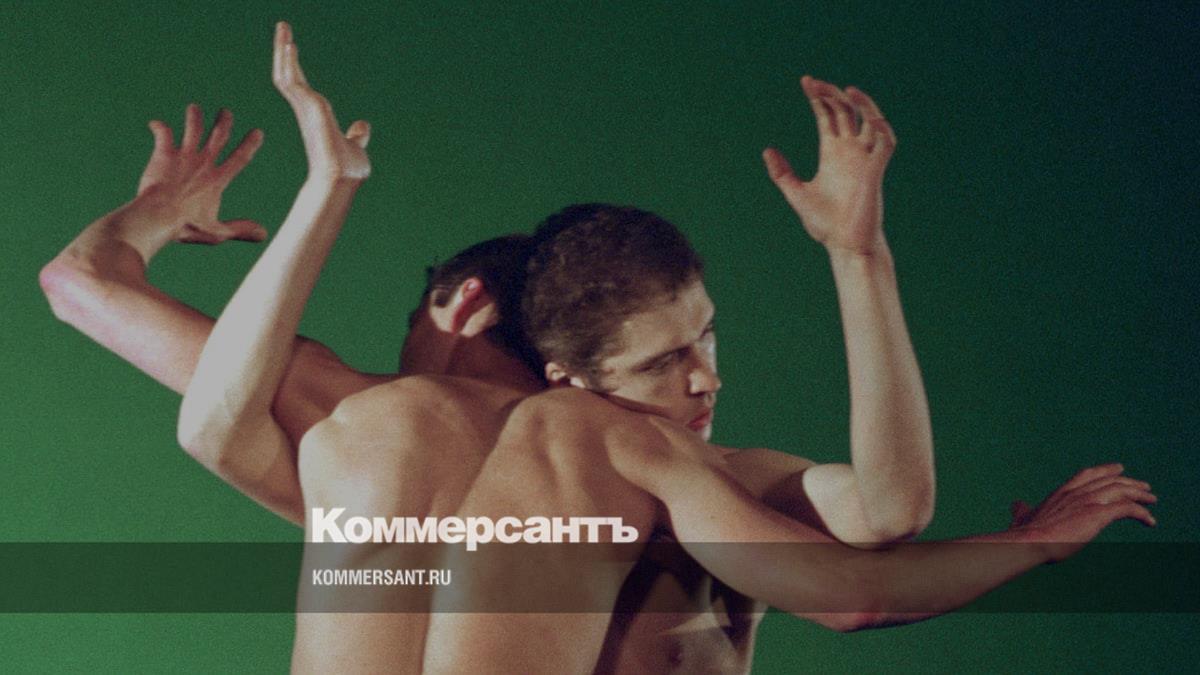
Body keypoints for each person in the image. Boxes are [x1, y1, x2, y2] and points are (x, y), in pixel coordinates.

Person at [40, 22, 1155, 674]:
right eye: (667, 361)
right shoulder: (643, 460)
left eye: (699, 346)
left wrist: (183, 211)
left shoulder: (344, 430)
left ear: (460, 305)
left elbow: (95, 299)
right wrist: (1033, 543)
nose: (705, 379)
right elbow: (874, 555)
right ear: (565, 366)